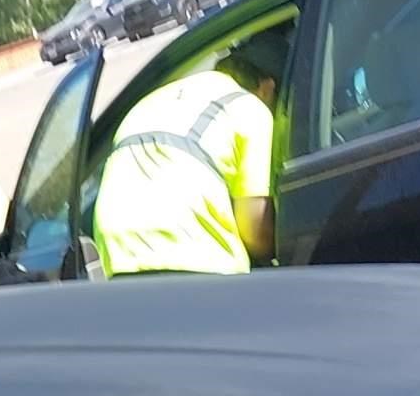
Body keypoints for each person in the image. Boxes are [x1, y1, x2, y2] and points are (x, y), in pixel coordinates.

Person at [94, 30, 291, 278]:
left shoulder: (157, 98)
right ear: (268, 87)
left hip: (117, 253)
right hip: (192, 252)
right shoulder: (251, 109)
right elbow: (254, 231)